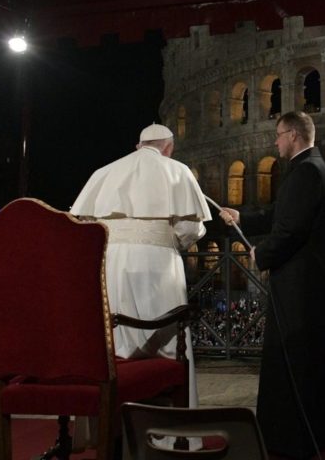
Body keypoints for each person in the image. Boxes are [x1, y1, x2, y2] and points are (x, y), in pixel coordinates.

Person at [69, 123, 210, 449]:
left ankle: (110, 430)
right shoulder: (177, 171)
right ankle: (171, 432)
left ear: (138, 145)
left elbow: (85, 225)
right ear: (169, 147)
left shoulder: (104, 172)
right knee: (166, 343)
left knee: (114, 345)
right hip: (158, 268)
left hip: (111, 266)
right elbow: (189, 230)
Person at [218, 111, 325, 460]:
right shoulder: (310, 169)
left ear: (295, 135)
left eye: (279, 134)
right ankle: (304, 432)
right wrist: (243, 218)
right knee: (300, 360)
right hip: (304, 281)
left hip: (298, 284)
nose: (275, 141)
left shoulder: (306, 173)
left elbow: (291, 231)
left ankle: (290, 438)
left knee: (293, 360)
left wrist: (262, 253)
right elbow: (280, 214)